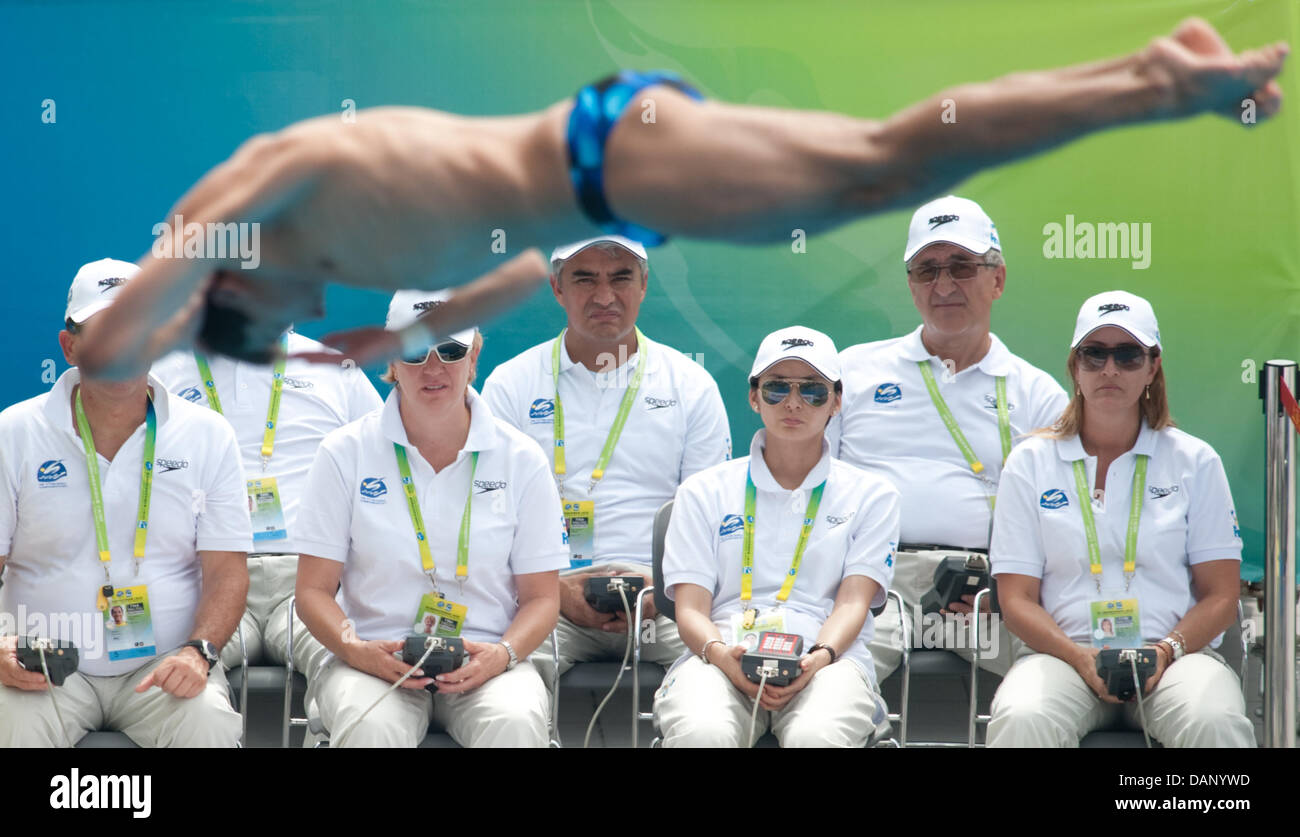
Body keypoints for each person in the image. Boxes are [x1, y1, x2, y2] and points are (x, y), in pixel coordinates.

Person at [75, 19, 1287, 379]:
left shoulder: (237, 204)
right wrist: (396, 336)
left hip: (608, 157)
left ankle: (1155, 89)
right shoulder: (302, 241)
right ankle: (1146, 73)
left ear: (220, 281)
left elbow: (118, 340)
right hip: (607, 183)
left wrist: (186, 305)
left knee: (886, 162)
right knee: (886, 165)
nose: (302, 304)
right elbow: (510, 279)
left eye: (264, 307)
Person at [293, 290, 568, 747]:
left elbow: (542, 599)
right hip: (374, 655)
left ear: (474, 354)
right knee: (369, 726)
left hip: (488, 656)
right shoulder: (343, 453)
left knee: (516, 723)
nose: (434, 367)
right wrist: (355, 649)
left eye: (451, 349)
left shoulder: (522, 457)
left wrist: (502, 655)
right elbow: (312, 591)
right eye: (416, 350)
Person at [0, 259, 251, 747]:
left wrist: (199, 652)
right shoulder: (13, 433)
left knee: (209, 722)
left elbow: (227, 571)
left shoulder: (208, 435)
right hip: (43, 665)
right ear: (70, 347)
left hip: (166, 664)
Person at [986, 291, 1253, 747]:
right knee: (1022, 716)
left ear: (1152, 367)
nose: (1109, 369)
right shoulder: (1029, 462)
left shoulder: (1195, 460)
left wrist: (1165, 651)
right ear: (1074, 367)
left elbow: (1222, 596)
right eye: (1095, 354)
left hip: (1174, 659)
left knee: (1214, 719)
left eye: (1128, 355)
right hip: (1063, 658)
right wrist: (1080, 657)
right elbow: (1016, 600)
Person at [830, 195, 1068, 684]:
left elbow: (1064, 521)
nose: (943, 285)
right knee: (823, 685)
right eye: (926, 269)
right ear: (911, 285)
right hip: (872, 587)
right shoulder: (852, 372)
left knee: (1064, 677)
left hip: (987, 595)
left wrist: (1009, 592)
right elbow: (806, 493)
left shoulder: (1037, 393)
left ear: (997, 279)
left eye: (961, 266)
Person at [481, 235, 730, 684]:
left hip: (667, 600)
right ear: (557, 289)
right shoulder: (511, 385)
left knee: (724, 676)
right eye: (584, 279)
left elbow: (712, 519)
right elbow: (487, 516)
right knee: (496, 685)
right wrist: (553, 590)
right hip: (544, 598)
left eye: (620, 278)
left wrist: (664, 590)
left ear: (644, 284)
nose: (604, 296)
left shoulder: (690, 385)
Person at [654, 326, 900, 747]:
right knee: (702, 733)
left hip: (828, 660)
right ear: (753, 397)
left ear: (837, 402)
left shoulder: (874, 495)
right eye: (776, 388)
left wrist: (818, 657)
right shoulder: (702, 490)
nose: (793, 402)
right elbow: (691, 609)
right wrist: (721, 656)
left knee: (816, 737)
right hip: (719, 656)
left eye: (813, 391)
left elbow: (854, 602)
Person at [151, 319, 382, 679]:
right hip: (205, 583)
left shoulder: (336, 369)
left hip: (308, 584)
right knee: (170, 674)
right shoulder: (161, 370)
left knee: (349, 669)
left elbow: (385, 473)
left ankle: (325, 737)